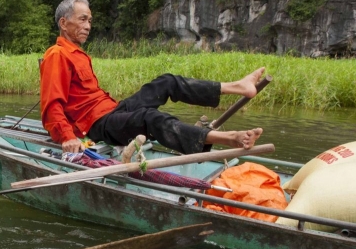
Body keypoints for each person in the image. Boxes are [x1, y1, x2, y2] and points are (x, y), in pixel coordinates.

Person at [41, 0, 264, 155]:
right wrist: (68, 137)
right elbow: (52, 107)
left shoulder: (77, 54)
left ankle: (238, 86)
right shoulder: (57, 55)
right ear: (63, 23)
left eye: (89, 20)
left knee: (167, 82)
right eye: (82, 20)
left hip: (111, 111)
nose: (88, 26)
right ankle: (230, 138)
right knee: (149, 117)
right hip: (95, 125)